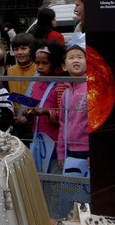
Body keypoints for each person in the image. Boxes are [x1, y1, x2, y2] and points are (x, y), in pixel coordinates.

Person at [16, 41, 65, 174]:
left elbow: (65, 115)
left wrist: (46, 113)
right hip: (37, 140)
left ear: (54, 63)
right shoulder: (36, 83)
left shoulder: (61, 85)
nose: (39, 67)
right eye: (37, 63)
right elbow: (33, 105)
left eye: (45, 63)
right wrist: (28, 114)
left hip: (54, 143)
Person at [58, 43, 89, 176]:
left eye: (80, 57)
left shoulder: (92, 89)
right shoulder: (66, 93)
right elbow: (62, 124)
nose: (76, 60)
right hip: (69, 150)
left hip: (87, 150)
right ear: (64, 66)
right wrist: (61, 152)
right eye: (71, 58)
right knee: (73, 192)